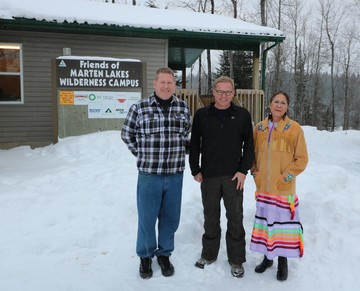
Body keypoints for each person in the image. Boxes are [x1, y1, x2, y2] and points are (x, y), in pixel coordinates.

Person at [121, 67, 191, 279]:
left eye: (170, 82)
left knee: (171, 218)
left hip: (175, 174)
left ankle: (164, 254)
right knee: (147, 217)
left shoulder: (183, 108)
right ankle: (145, 256)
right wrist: (142, 155)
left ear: (174, 85)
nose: (166, 86)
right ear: (155, 84)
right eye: (162, 82)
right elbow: (127, 134)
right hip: (149, 175)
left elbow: (188, 138)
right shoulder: (140, 107)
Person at [189, 76, 254, 278]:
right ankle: (209, 254)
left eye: (227, 91)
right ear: (213, 92)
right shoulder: (202, 115)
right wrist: (195, 169)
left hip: (234, 177)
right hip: (209, 176)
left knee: (235, 218)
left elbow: (249, 147)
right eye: (220, 91)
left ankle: (236, 260)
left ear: (233, 93)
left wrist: (243, 171)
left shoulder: (242, 115)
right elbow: (194, 145)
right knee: (211, 217)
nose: (223, 95)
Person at [250, 91, 308, 281]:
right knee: (267, 225)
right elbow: (252, 156)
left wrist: (286, 178)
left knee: (282, 228)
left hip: (283, 189)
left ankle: (282, 262)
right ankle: (267, 258)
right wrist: (255, 173)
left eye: (283, 102)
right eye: (276, 101)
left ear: (287, 107)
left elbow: (302, 160)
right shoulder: (259, 128)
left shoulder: (294, 129)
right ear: (269, 104)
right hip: (264, 189)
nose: (278, 105)